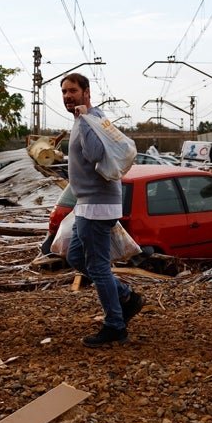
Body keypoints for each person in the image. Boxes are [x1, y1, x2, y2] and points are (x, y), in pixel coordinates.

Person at [61, 72, 143, 347]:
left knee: (97, 266)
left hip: (98, 206)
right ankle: (126, 297)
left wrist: (84, 120)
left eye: (72, 91)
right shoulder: (82, 120)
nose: (67, 96)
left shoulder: (91, 119)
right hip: (86, 204)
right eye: (64, 92)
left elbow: (96, 154)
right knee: (76, 257)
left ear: (86, 92)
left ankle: (115, 326)